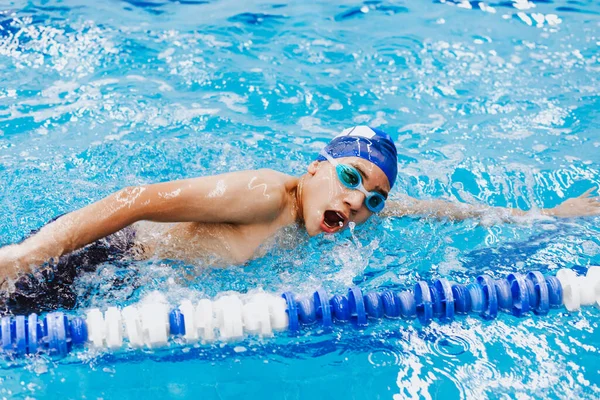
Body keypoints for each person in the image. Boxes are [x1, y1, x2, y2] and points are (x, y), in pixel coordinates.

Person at [0, 125, 598, 313]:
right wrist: (26, 257)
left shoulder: (346, 213)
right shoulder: (264, 193)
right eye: (350, 178)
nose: (360, 202)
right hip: (91, 258)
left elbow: (436, 210)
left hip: (122, 282)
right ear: (314, 169)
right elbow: (132, 200)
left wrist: (545, 215)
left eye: (373, 198)